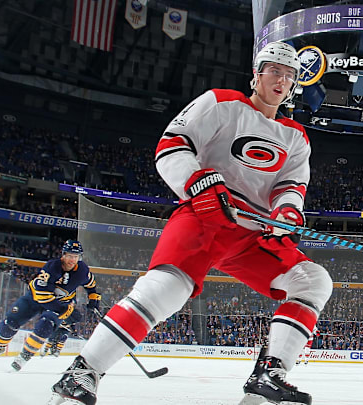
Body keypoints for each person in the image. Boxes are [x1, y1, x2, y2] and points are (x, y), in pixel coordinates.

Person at [49, 41, 332, 405]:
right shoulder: (221, 101)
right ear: (256, 75)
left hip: (252, 235)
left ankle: (268, 374)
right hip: (206, 218)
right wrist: (198, 182)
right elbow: (172, 144)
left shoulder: (296, 136)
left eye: (289, 75)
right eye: (274, 70)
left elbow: (291, 185)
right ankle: (82, 373)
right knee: (165, 290)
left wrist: (288, 212)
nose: (282, 79)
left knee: (313, 282)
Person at [0, 240, 100, 372]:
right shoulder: (51, 267)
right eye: (70, 256)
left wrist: (93, 301)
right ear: (63, 255)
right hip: (35, 298)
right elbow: (42, 296)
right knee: (11, 321)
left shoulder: (83, 270)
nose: (72, 260)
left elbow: (92, 286)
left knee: (45, 325)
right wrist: (65, 310)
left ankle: (24, 357)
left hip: (62, 303)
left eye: (76, 256)